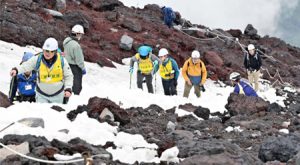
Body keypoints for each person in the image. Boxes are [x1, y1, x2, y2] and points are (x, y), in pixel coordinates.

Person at [10, 37, 74, 104]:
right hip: (41, 96)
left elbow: (68, 76)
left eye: (51, 51)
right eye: (46, 50)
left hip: (58, 96)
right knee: (41, 114)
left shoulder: (62, 61)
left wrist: (68, 88)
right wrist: (16, 70)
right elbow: (26, 65)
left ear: (55, 52)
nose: (48, 53)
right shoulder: (38, 59)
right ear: (43, 49)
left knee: (55, 114)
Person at [63, 24, 86, 95]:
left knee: (68, 81)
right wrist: (82, 68)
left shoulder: (66, 41)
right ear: (77, 34)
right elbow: (79, 60)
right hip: (75, 67)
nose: (81, 36)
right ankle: (75, 97)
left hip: (66, 65)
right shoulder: (76, 46)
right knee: (76, 85)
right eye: (80, 34)